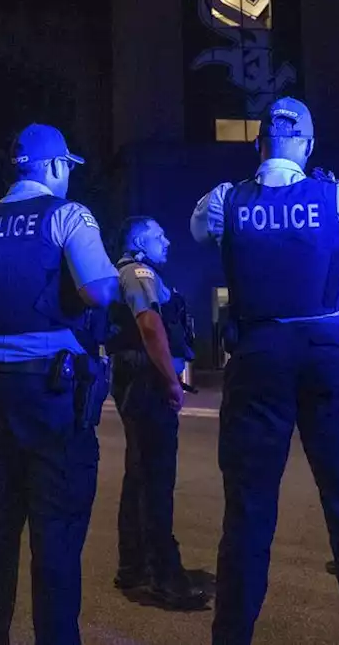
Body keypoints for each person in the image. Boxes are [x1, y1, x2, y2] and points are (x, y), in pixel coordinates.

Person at [190, 97, 339, 645]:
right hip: (329, 353)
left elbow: (198, 232)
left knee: (248, 513)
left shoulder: (225, 201)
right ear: (306, 145)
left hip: (258, 356)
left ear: (260, 144)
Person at [0, 123, 118, 645]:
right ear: (54, 167)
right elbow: (100, 291)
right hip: (53, 397)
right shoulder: (67, 216)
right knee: (55, 534)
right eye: (67, 169)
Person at [106, 216, 209, 610]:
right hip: (146, 379)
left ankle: (133, 565)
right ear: (139, 242)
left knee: (140, 475)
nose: (168, 239)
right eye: (158, 234)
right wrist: (170, 380)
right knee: (155, 478)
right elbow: (150, 327)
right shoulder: (139, 272)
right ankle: (164, 576)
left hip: (139, 377)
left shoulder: (137, 272)